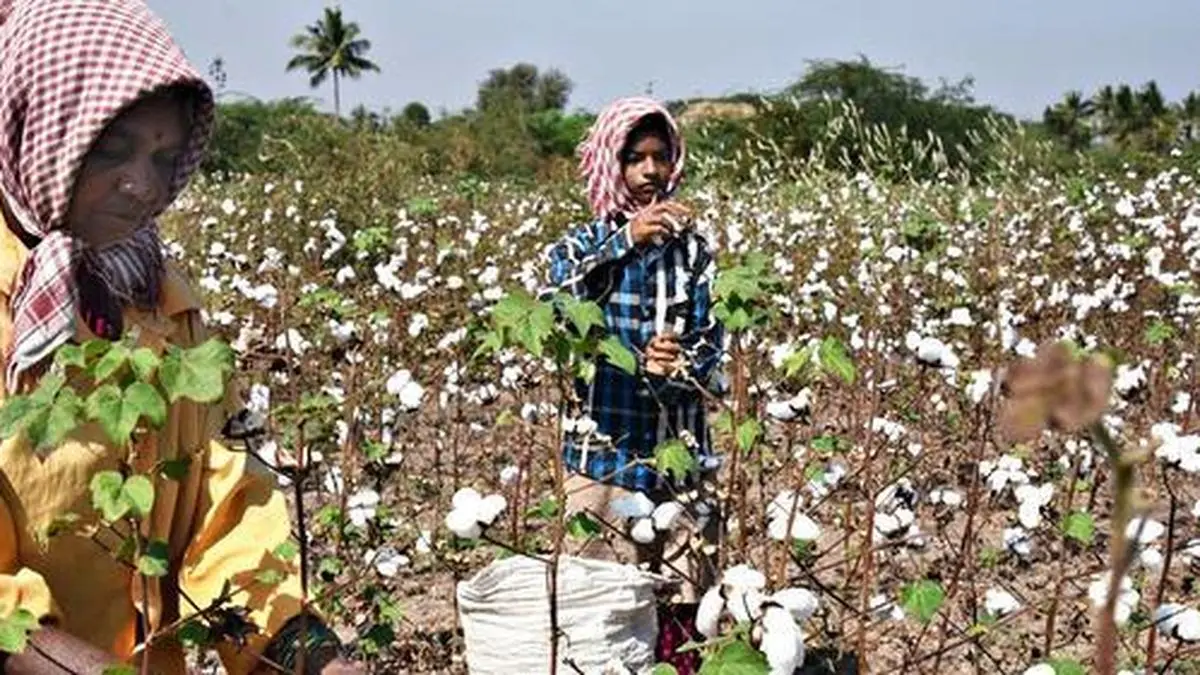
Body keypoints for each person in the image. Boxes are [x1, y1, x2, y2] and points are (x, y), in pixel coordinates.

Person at [0, 1, 361, 673]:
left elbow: (222, 508)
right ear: (40, 128)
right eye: (111, 150)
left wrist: (309, 656)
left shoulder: (160, 296)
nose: (142, 185)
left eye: (164, 157)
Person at [542, 97, 725, 598]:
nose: (650, 171)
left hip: (679, 451)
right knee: (598, 596)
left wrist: (684, 359)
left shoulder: (695, 252)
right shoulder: (581, 246)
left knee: (686, 595)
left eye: (660, 157)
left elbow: (714, 336)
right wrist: (626, 240)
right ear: (612, 162)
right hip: (603, 456)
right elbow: (556, 306)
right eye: (635, 158)